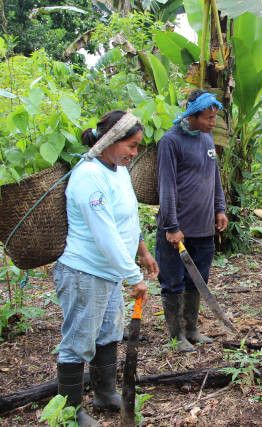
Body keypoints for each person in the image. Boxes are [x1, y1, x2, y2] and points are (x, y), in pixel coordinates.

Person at [54, 110, 157, 425]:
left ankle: (104, 392)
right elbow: (105, 234)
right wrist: (133, 277)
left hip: (109, 272)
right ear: (112, 140)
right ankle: (70, 412)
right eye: (132, 145)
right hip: (85, 272)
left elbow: (126, 218)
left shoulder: (118, 170)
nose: (134, 153)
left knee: (108, 332)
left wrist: (141, 250)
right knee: (79, 340)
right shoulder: (88, 177)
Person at [156, 90, 228, 353]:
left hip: (203, 226)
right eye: (208, 117)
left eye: (214, 117)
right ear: (192, 115)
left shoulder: (207, 140)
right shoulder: (170, 142)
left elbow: (214, 177)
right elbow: (167, 187)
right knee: (173, 281)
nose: (213, 122)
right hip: (178, 230)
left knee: (199, 279)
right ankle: (176, 336)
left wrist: (219, 208)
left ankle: (192, 329)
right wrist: (172, 226)